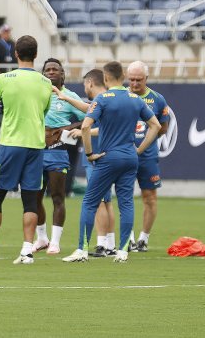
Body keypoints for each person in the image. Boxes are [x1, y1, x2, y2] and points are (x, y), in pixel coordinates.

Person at [62, 63, 160, 263]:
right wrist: (139, 150)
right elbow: (155, 125)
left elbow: (87, 126)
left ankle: (82, 250)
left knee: (90, 202)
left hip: (109, 157)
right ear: (123, 76)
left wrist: (90, 153)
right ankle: (123, 251)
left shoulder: (102, 98)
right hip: (130, 157)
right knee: (126, 203)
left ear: (105, 79)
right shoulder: (135, 99)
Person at [0, 35, 53, 265]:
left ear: (15, 53)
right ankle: (27, 251)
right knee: (30, 200)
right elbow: (44, 111)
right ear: (35, 55)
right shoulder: (46, 83)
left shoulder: (5, 79)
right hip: (35, 145)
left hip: (12, 144)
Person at [38, 58, 86, 255]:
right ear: (42, 74)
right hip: (36, 150)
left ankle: (55, 242)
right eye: (47, 70)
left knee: (58, 196)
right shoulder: (36, 94)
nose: (50, 72)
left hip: (58, 150)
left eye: (54, 70)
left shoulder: (69, 96)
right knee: (34, 196)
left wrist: (68, 127)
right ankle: (41, 238)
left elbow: (88, 118)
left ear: (62, 74)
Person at [125, 60, 170, 253]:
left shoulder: (157, 99)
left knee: (149, 197)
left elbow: (163, 127)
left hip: (147, 157)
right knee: (124, 196)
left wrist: (146, 141)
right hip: (124, 155)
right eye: (131, 80)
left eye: (139, 80)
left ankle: (144, 238)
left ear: (147, 79)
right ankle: (129, 238)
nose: (134, 84)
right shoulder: (122, 96)